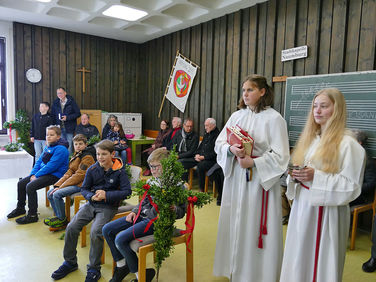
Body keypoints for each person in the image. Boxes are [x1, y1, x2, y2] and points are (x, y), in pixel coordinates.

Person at [280, 88, 366, 282]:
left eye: (324, 106)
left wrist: (315, 177)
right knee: (299, 256)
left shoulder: (348, 144)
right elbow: (302, 174)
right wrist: (295, 175)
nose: (317, 111)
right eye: (315, 106)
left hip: (327, 213)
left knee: (322, 262)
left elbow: (352, 186)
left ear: (337, 109)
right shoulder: (310, 140)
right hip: (303, 207)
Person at [213, 75, 290, 281]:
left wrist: (254, 162)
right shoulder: (237, 116)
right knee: (235, 221)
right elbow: (219, 143)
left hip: (258, 181)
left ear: (262, 92)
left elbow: (281, 156)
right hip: (236, 178)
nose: (245, 94)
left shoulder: (275, 119)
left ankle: (255, 273)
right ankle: (233, 267)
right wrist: (230, 149)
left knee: (253, 224)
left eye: (250, 90)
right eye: (244, 90)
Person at [51, 140, 131, 282]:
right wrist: (91, 196)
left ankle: (94, 268)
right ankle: (70, 262)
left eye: (104, 154)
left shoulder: (120, 172)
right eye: (98, 154)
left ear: (112, 154)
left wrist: (107, 195)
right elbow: (84, 189)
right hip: (91, 204)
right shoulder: (93, 169)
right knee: (71, 227)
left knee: (95, 232)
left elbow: (127, 192)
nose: (100, 157)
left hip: (108, 207)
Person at [102, 148, 186, 282]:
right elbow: (143, 201)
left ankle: (140, 276)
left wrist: (174, 208)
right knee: (107, 229)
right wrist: (134, 211)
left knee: (120, 240)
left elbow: (182, 211)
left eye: (155, 167)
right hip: (142, 216)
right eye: (150, 166)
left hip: (156, 222)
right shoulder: (152, 181)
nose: (152, 170)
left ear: (167, 166)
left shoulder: (176, 186)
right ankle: (122, 265)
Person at [7, 125, 69, 224]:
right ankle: (20, 208)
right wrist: (33, 174)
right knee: (21, 183)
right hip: (43, 173)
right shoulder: (48, 146)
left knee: (30, 186)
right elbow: (39, 161)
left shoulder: (61, 149)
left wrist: (37, 176)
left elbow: (51, 166)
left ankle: (32, 215)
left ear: (58, 137)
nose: (48, 137)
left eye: (51, 135)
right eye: (47, 135)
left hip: (55, 175)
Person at [44, 134, 96, 229]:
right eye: (76, 144)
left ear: (86, 144)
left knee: (56, 194)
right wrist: (57, 185)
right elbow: (70, 172)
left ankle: (62, 220)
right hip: (77, 182)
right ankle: (60, 216)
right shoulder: (77, 154)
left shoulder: (87, 157)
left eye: (80, 144)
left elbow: (79, 175)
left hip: (83, 185)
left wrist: (61, 187)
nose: (78, 146)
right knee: (50, 193)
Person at [174, 118, 220, 191]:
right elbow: (201, 146)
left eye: (207, 126)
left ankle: (201, 189)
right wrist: (197, 154)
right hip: (199, 157)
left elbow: (216, 153)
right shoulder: (207, 133)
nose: (205, 127)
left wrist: (203, 157)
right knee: (181, 162)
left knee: (200, 166)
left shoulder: (218, 136)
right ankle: (183, 184)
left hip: (210, 160)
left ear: (212, 125)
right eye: (205, 125)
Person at [349, 130, 376, 206]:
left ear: (359, 143)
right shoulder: (347, 157)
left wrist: (353, 188)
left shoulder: (368, 161)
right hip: (348, 192)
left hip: (360, 197)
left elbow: (371, 184)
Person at [51, 87, 81, 154]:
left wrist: (67, 118)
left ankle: (69, 162)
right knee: (61, 146)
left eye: (61, 93)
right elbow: (53, 115)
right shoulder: (55, 103)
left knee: (69, 146)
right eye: (58, 93)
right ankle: (62, 161)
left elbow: (78, 114)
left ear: (65, 93)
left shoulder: (71, 102)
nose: (59, 95)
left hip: (69, 128)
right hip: (59, 128)